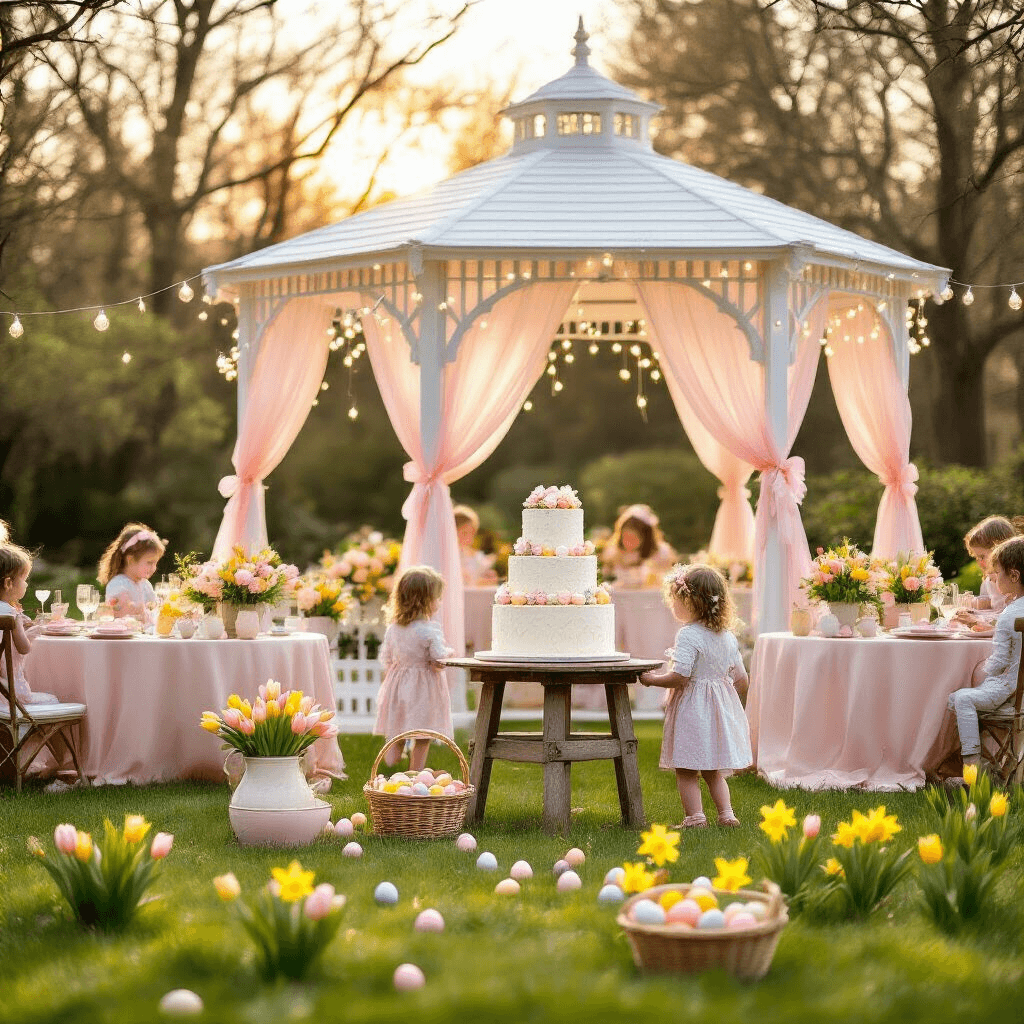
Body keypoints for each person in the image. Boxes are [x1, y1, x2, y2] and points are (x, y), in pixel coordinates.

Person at [639, 563, 751, 828]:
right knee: (713, 768)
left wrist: (652, 680)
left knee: (687, 768)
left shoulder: (689, 634)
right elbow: (742, 680)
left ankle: (695, 817)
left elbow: (681, 676)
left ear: (691, 602)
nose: (673, 607)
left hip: (693, 710)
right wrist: (722, 700)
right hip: (717, 709)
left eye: (676, 601)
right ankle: (726, 814)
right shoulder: (727, 636)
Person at [947, 535, 1024, 777]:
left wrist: (984, 667)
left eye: (997, 573)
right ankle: (993, 759)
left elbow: (999, 663)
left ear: (1013, 576)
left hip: (1009, 691)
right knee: (959, 700)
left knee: (960, 699)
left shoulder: (1010, 614)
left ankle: (973, 765)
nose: (994, 578)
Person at [373, 565, 454, 771]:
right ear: (425, 600)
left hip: (399, 684)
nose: (439, 602)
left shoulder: (394, 629)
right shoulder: (429, 631)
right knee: (423, 733)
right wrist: (448, 654)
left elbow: (387, 658)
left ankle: (393, 754)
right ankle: (415, 771)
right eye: (437, 598)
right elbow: (438, 661)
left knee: (400, 723)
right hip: (423, 689)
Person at [0, 528, 58, 706]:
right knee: (53, 699)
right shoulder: (11, 614)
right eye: (24, 579)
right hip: (10, 695)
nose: (26, 584)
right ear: (9, 583)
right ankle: (23, 732)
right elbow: (24, 648)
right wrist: (32, 632)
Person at [956, 516, 1024, 625]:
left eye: (982, 556)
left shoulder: (1014, 581)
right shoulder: (989, 581)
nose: (979, 563)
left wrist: (977, 620)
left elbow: (1012, 619)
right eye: (976, 558)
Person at [97, 524, 166, 619]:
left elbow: (156, 610)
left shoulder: (145, 585)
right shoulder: (118, 584)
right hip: (124, 632)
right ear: (130, 560)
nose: (153, 568)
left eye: (155, 563)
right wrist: (140, 610)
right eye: (149, 563)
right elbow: (121, 614)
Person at [600, 504, 674, 588]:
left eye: (633, 538)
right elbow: (605, 576)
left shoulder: (660, 553)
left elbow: (667, 580)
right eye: (625, 537)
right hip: (621, 597)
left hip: (649, 597)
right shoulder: (614, 553)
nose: (628, 542)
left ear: (645, 538)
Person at [454, 505, 497, 585]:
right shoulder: (449, 556)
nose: (469, 537)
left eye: (472, 533)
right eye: (464, 533)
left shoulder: (476, 557)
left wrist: (486, 579)